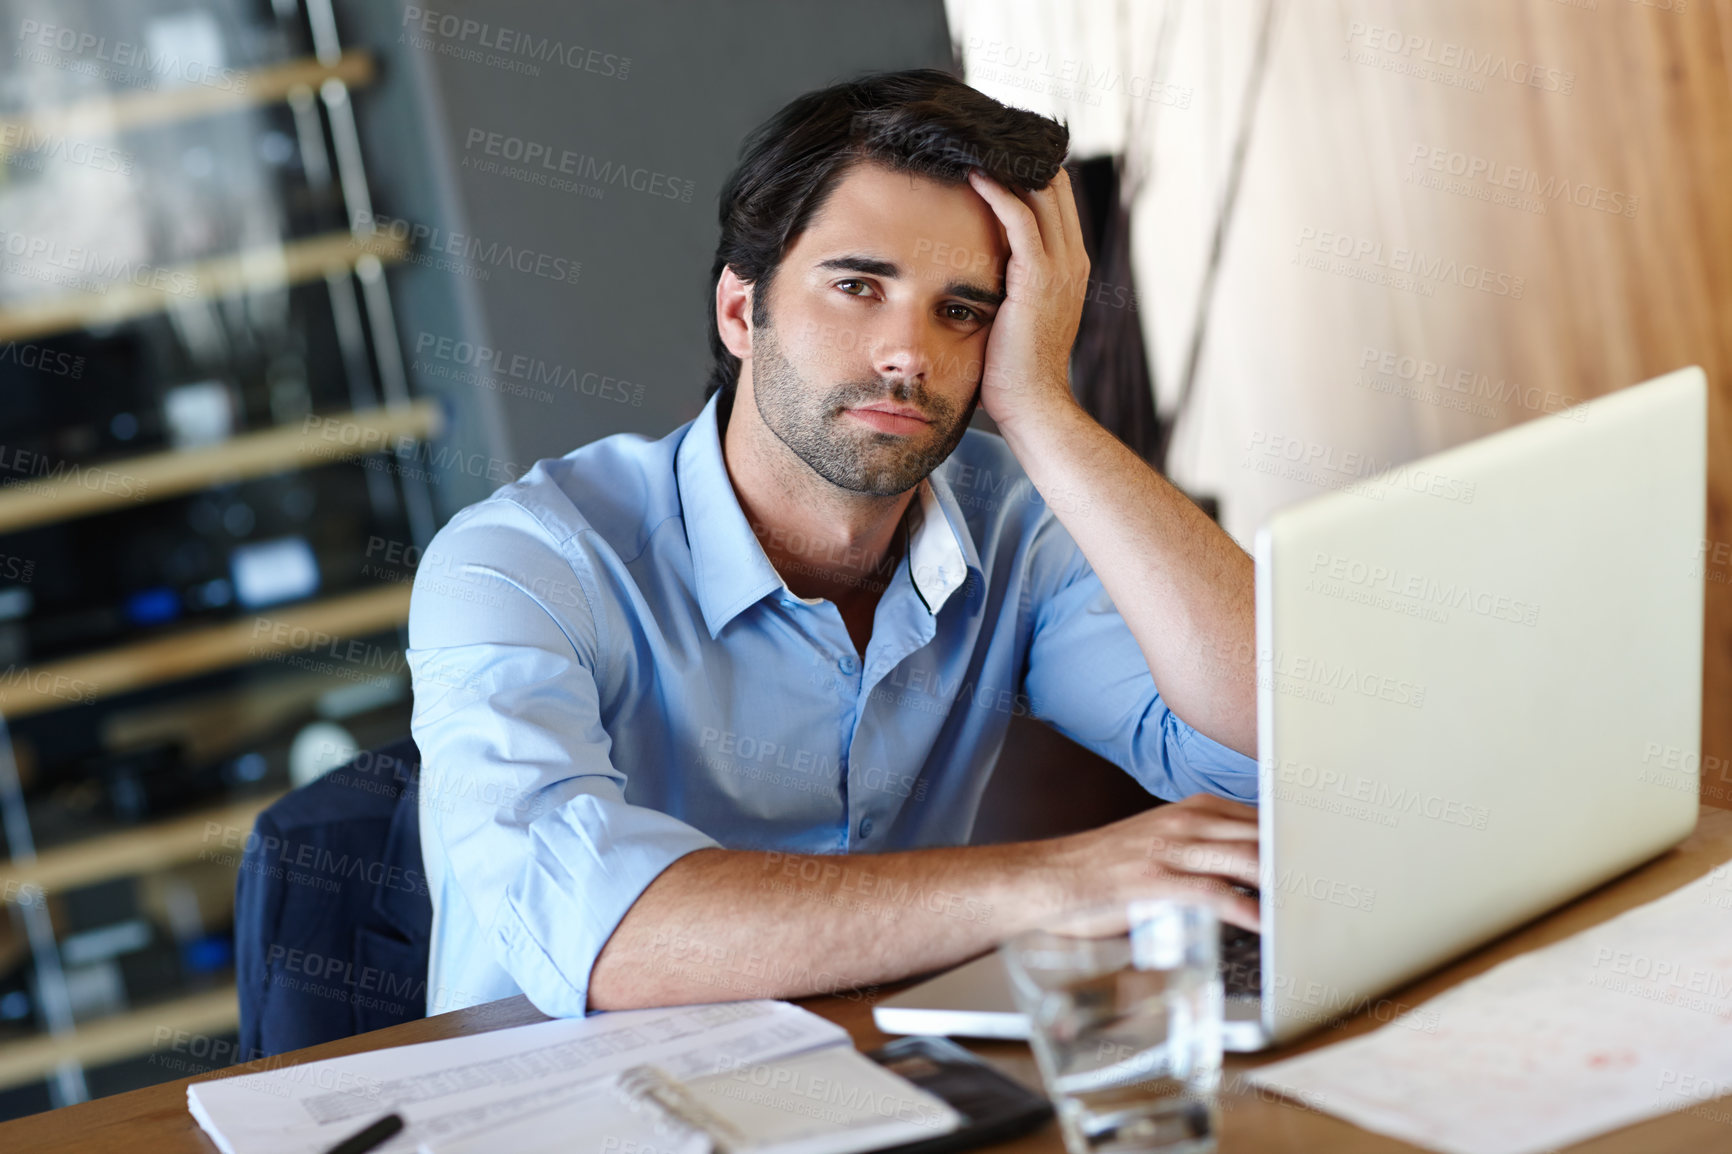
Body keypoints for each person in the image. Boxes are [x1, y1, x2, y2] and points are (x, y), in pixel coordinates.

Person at [407, 68, 1260, 1018]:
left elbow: (1270, 742)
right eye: (858, 286)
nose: (908, 355)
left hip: (886, 1086)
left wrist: (1044, 410)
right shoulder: (520, 565)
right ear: (743, 310)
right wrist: (1057, 882)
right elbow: (602, 935)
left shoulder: (1014, 518)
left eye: (963, 311)